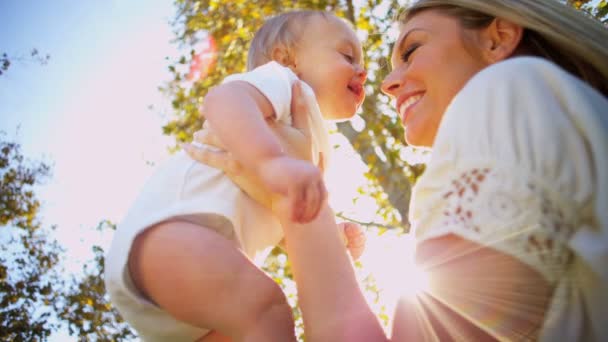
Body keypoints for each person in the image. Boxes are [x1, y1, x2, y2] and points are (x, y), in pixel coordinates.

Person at [186, 0, 608, 340]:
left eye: (411, 50)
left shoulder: (510, 90)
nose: (387, 82)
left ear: (498, 39)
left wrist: (295, 204)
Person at [104, 10, 367, 342]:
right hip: (176, 232)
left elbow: (280, 216)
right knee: (270, 312)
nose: (363, 69)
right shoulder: (283, 82)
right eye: (347, 55)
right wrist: (270, 162)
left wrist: (334, 236)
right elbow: (224, 99)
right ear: (286, 58)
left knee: (257, 322)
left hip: (203, 284)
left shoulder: (311, 139)